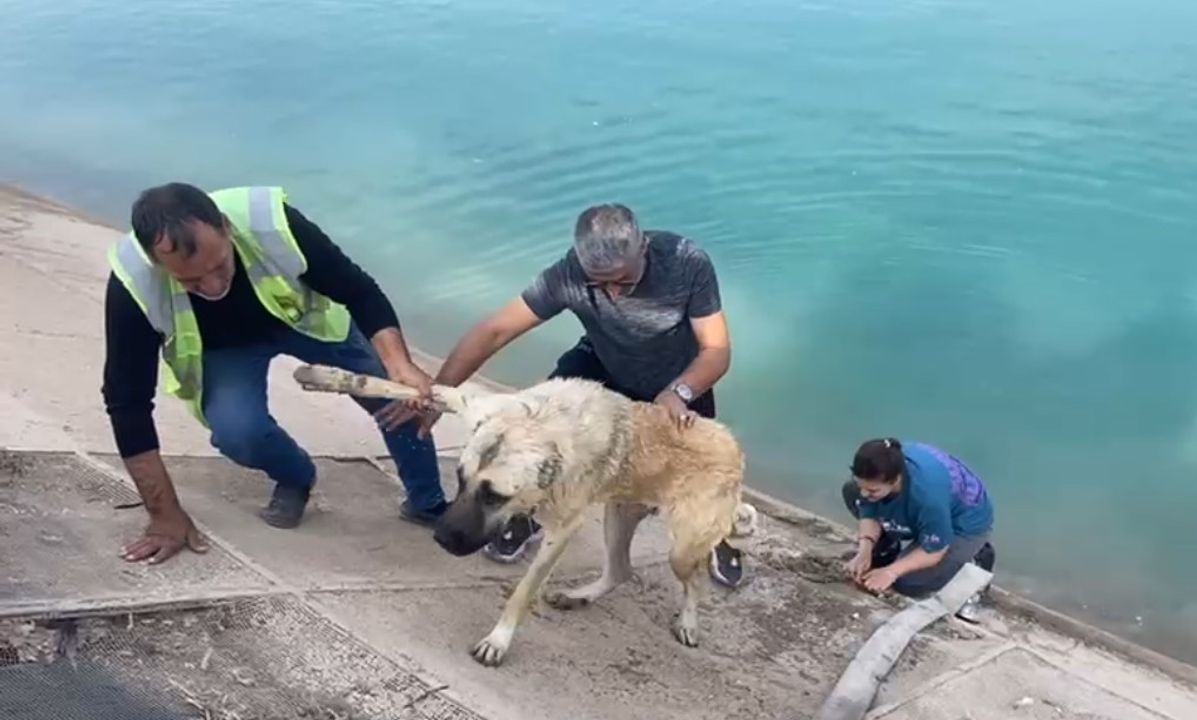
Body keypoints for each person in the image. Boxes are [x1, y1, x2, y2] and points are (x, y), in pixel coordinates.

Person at [102, 183, 448, 566]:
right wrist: (164, 516)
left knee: (401, 397)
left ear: (226, 228)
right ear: (158, 264)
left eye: (219, 265)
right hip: (224, 348)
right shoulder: (133, 283)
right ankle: (296, 475)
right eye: (191, 282)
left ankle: (427, 502)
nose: (214, 287)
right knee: (238, 432)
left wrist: (400, 367)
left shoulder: (270, 222)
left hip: (303, 319)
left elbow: (360, 292)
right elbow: (127, 402)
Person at [420, 203, 746, 588]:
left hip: (677, 376)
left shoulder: (686, 263)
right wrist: (438, 396)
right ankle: (525, 515)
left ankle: (722, 532)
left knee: (708, 464)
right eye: (598, 284)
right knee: (538, 429)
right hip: (602, 363)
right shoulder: (569, 273)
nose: (610, 293)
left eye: (622, 283)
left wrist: (679, 391)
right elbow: (495, 331)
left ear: (643, 249)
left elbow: (716, 351)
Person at [842, 437, 995, 621]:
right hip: (922, 507)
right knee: (851, 492)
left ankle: (976, 556)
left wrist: (892, 572)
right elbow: (867, 508)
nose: (865, 494)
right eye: (863, 486)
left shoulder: (927, 496)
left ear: (896, 479)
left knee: (908, 583)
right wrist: (864, 550)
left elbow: (934, 551)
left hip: (964, 522)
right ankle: (888, 545)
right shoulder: (877, 469)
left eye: (872, 491)